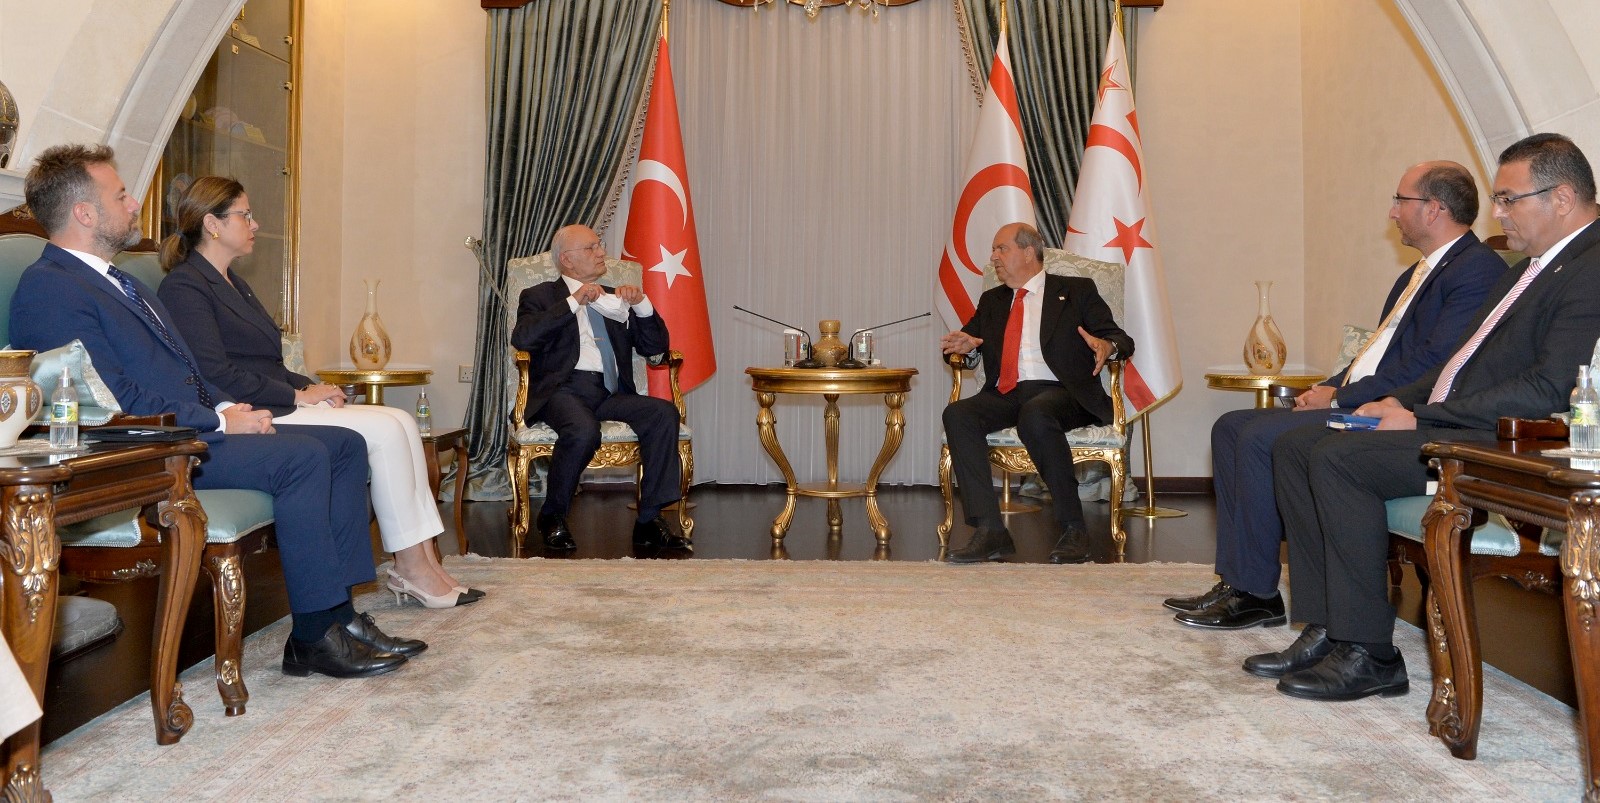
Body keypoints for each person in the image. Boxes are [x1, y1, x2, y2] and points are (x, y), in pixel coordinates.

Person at [10, 144, 424, 679]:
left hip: (189, 428)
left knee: (344, 444)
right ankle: (314, 636)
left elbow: (185, 370)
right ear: (85, 213)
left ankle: (339, 618)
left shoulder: (122, 281)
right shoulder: (49, 288)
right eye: (121, 195)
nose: (135, 204)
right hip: (148, 449)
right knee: (303, 458)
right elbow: (115, 398)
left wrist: (231, 406)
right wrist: (222, 421)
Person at [1251, 132, 1600, 701]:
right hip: (1456, 421)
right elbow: (1458, 362)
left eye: (1508, 199)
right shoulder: (1527, 268)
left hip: (1498, 442)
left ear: (1561, 198)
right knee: (1296, 446)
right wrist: (1398, 401)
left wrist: (1421, 417)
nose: (1496, 213)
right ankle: (1329, 626)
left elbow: (1547, 388)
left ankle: (1369, 653)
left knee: (1339, 460)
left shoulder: (1591, 267)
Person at [1164, 162, 1505, 630]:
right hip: (1361, 397)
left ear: (1434, 209)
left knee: (1260, 436)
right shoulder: (1418, 273)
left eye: (1400, 201)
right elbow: (1375, 352)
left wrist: (1342, 397)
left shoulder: (1476, 270)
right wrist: (1328, 386)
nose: (1392, 212)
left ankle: (1256, 593)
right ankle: (1240, 580)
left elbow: (1434, 364)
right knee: (1230, 426)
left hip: (1398, 412)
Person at [155, 176, 481, 609]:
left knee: (402, 420)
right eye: (245, 215)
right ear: (212, 224)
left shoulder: (233, 282)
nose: (255, 223)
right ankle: (411, 566)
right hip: (251, 410)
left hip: (275, 397)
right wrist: (296, 397)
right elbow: (215, 373)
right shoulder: (185, 286)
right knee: (386, 431)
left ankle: (424, 561)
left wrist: (308, 385)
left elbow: (267, 363)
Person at [940, 222, 1134, 564]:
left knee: (1037, 413)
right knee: (957, 414)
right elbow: (970, 342)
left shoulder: (1075, 290)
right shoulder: (992, 300)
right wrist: (966, 348)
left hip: (1063, 392)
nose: (994, 256)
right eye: (994, 250)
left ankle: (1074, 528)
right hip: (1006, 392)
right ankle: (990, 530)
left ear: (1029, 252)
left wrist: (1107, 346)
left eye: (1002, 248)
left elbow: (1120, 339)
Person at [509, 224, 688, 551]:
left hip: (610, 391)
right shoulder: (539, 296)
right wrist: (574, 301)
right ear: (567, 260)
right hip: (563, 390)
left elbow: (655, 348)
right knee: (582, 429)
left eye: (599, 245)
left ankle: (649, 521)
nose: (601, 252)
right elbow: (524, 338)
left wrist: (642, 305)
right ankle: (553, 515)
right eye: (591, 247)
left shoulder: (614, 298)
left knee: (663, 413)